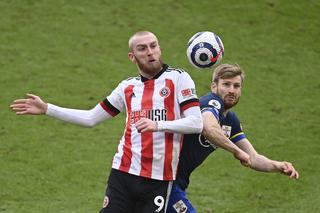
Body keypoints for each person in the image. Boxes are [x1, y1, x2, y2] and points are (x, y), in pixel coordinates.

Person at [10, 31, 208, 213]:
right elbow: (91, 118)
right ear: (132, 56)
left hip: (159, 179)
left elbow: (196, 123)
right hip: (123, 173)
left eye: (153, 46)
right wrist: (47, 109)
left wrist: (158, 125)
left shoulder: (179, 78)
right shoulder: (127, 87)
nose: (150, 52)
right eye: (142, 48)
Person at [167, 63, 299, 213]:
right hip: (164, 181)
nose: (231, 90)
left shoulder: (230, 120)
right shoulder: (210, 102)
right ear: (214, 86)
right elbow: (208, 128)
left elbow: (253, 157)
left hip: (176, 183)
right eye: (226, 84)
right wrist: (236, 151)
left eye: (236, 86)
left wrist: (277, 165)